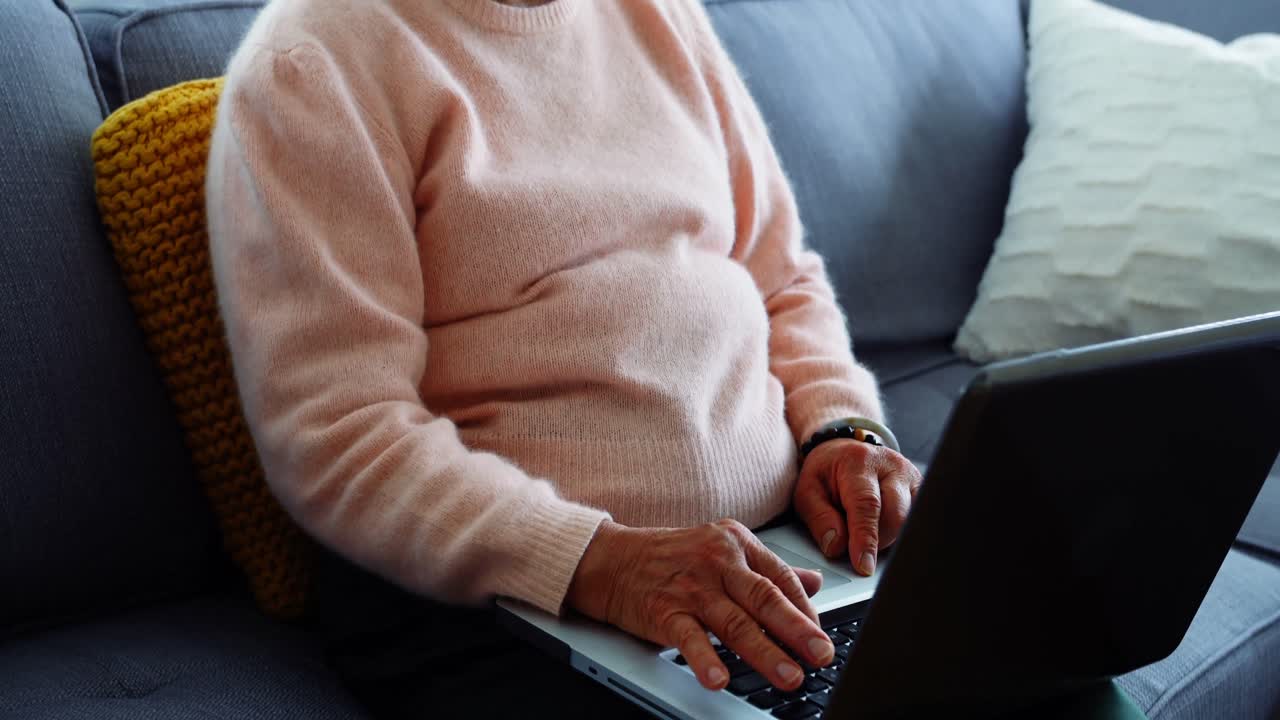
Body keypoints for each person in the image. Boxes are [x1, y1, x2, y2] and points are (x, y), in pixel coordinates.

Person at [206, 0, 923, 714]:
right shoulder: (312, 61)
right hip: (511, 615)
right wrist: (602, 566)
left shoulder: (658, 14)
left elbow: (781, 276)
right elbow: (338, 433)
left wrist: (839, 430)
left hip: (776, 561)